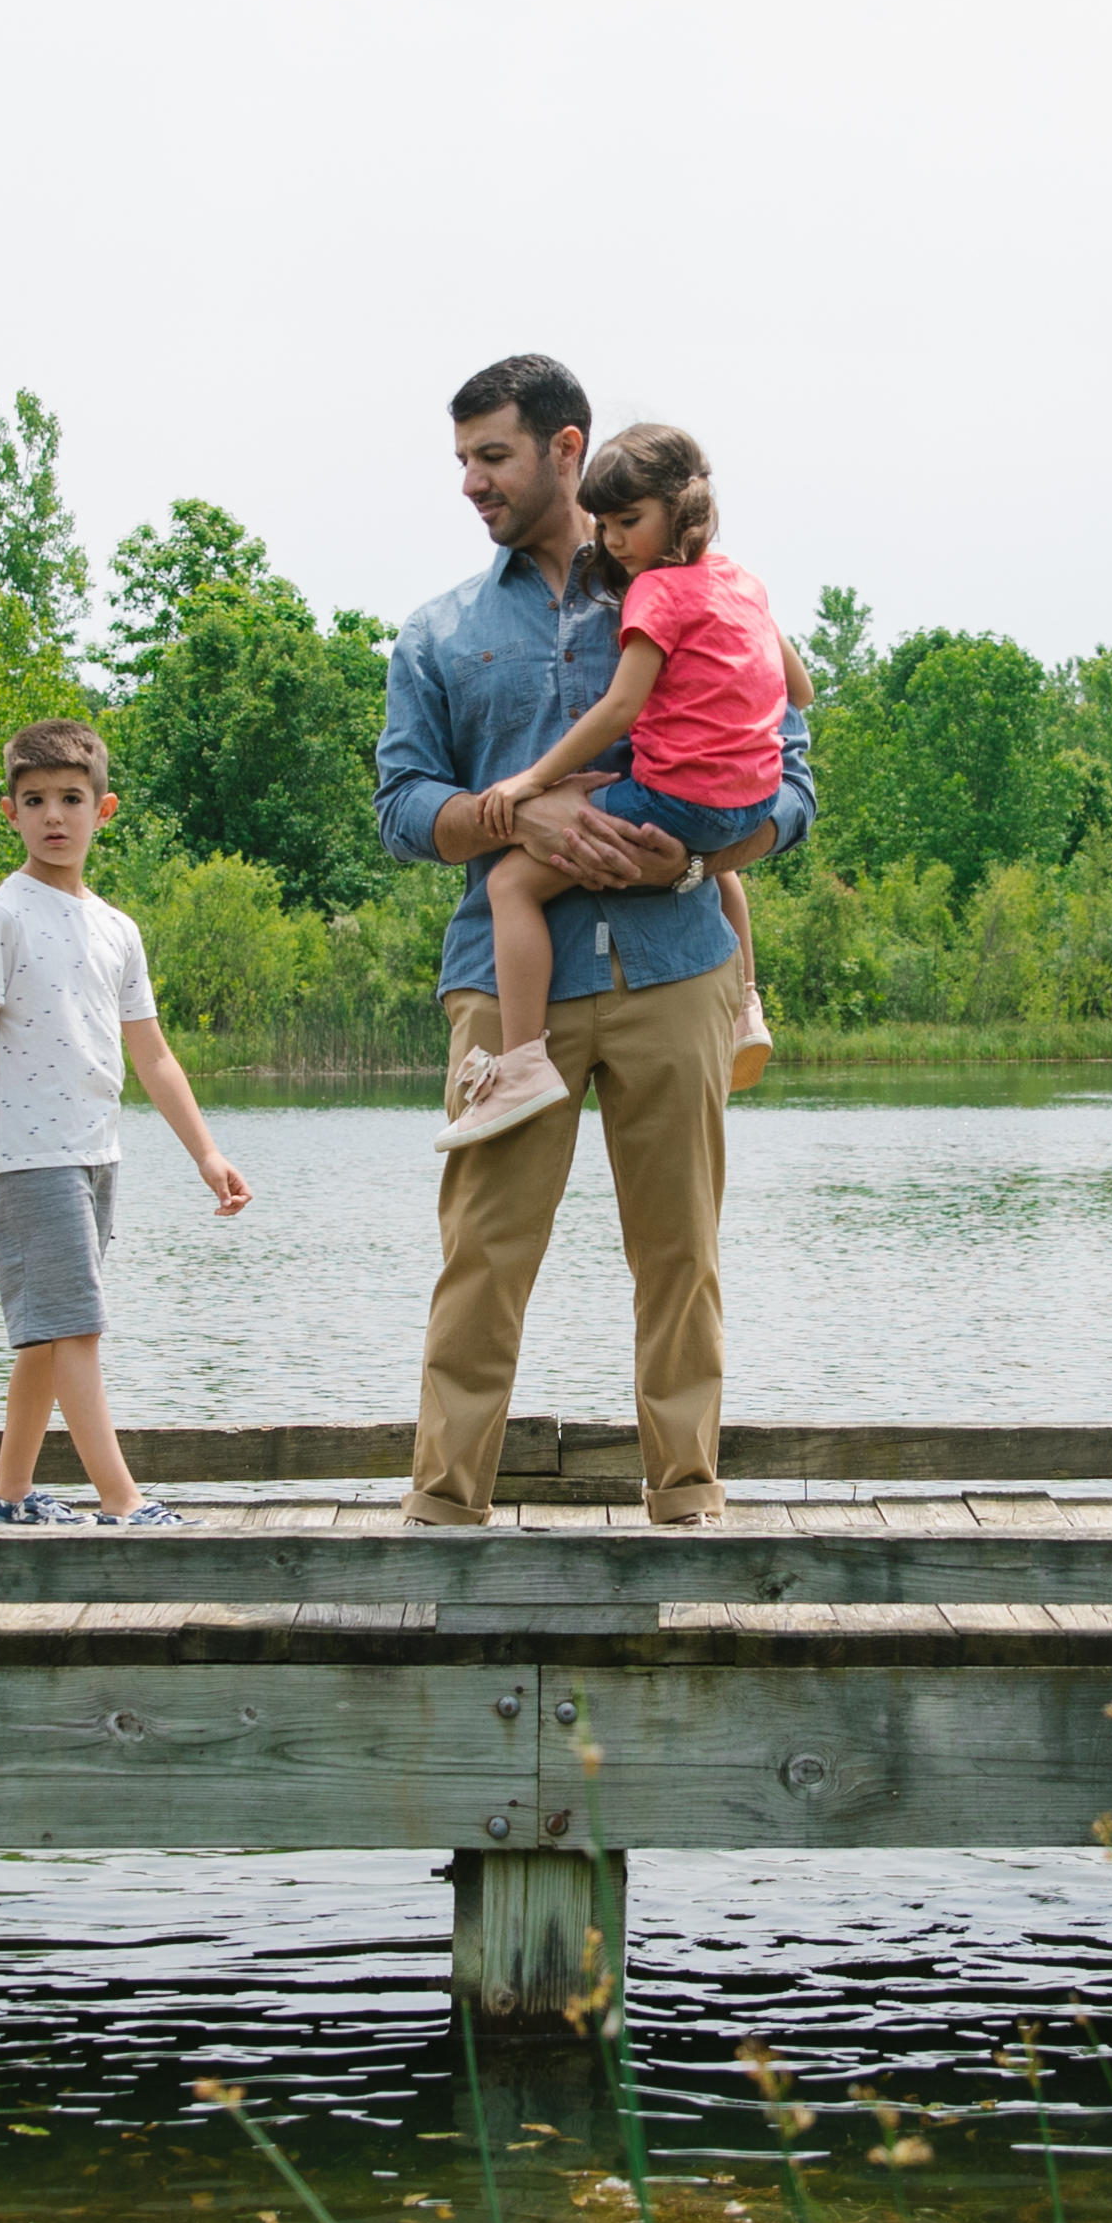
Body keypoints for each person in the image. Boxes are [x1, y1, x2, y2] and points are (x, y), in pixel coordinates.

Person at [374, 351, 813, 1528]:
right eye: (462, 460)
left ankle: (688, 1501)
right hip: (509, 987)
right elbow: (402, 808)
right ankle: (442, 1508)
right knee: (482, 1254)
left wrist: (703, 856)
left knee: (681, 1254)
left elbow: (792, 781)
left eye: (493, 455)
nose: (471, 481)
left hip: (677, 965)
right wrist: (516, 811)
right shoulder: (438, 631)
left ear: (566, 449)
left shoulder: (702, 592)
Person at [0, 718, 251, 1525]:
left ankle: (8, 1497)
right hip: (30, 1156)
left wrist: (207, 1154)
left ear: (102, 809)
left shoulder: (118, 929)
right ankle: (122, 1499)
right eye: (35, 799)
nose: (54, 815)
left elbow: (154, 1057)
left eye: (71, 799)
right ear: (9, 810)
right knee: (76, 1326)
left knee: (52, 1330)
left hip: (95, 1152)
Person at [444, 418, 781, 1151]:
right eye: (605, 522)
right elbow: (800, 686)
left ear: (680, 512)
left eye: (629, 521)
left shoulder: (654, 592)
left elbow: (621, 708)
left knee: (511, 886)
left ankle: (522, 1060)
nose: (614, 539)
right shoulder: (744, 583)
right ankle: (748, 1005)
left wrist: (534, 781)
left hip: (668, 807)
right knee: (715, 858)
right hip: (745, 797)